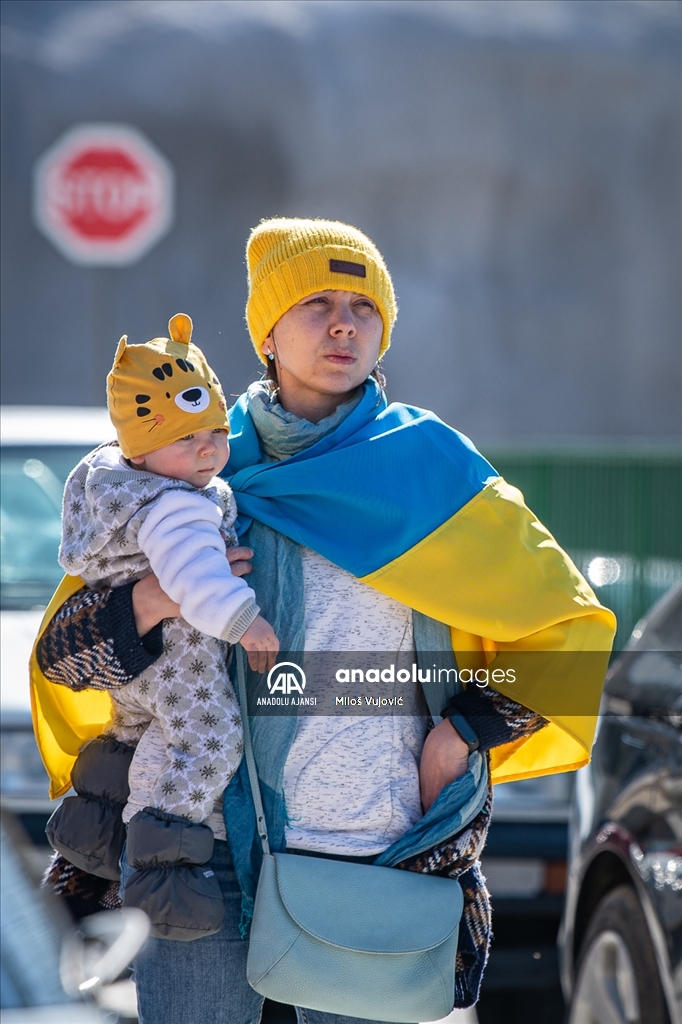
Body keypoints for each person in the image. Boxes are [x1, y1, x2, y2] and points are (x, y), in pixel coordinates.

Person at [33, 218, 616, 1024]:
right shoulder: (187, 460)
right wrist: (149, 603)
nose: (345, 323)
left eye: (364, 306)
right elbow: (62, 657)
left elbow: (572, 629)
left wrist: (463, 733)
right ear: (267, 332)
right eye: (316, 304)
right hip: (197, 848)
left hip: (371, 846)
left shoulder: (430, 468)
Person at [45, 312, 279, 940]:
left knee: (133, 730)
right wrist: (245, 621)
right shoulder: (178, 504)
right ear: (143, 450)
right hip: (185, 665)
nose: (209, 450)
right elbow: (195, 584)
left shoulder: (114, 484)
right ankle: (160, 865)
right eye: (188, 439)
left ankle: (93, 833)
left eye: (217, 433)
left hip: (141, 672)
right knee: (206, 737)